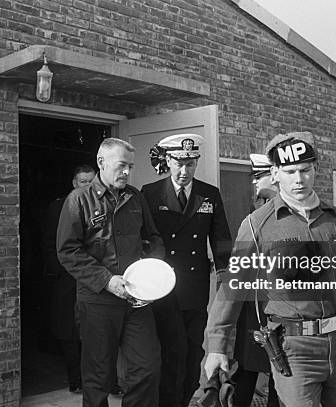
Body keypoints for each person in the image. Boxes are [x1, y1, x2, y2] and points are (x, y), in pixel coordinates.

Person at [204, 132, 336, 407]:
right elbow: (233, 288)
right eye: (290, 171)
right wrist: (217, 346)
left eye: (305, 170)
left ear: (315, 169)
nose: (299, 179)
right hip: (294, 352)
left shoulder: (334, 218)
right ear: (274, 173)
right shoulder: (257, 224)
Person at [57, 138, 165, 407]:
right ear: (101, 163)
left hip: (137, 301)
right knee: (97, 377)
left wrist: (150, 272)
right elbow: (67, 251)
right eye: (121, 166)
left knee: (147, 368)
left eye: (130, 166)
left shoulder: (136, 197)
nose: (127, 172)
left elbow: (154, 238)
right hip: (98, 302)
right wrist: (106, 280)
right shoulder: (78, 200)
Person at [141, 134, 232, 407]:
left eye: (190, 164)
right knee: (173, 350)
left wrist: (227, 279)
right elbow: (143, 239)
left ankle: (184, 400)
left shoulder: (209, 194)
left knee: (194, 350)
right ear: (168, 161)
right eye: (179, 163)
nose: (184, 171)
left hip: (195, 284)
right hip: (163, 286)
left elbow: (221, 238)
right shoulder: (150, 192)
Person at [229, 154, 280, 407]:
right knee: (248, 367)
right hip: (255, 306)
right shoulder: (254, 217)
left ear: (273, 175)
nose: (254, 183)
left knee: (279, 370)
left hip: (280, 306)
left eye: (258, 176)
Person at [42, 164, 96, 392]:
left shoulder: (101, 204)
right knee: (69, 330)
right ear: (74, 183)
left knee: (95, 330)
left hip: (94, 278)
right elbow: (49, 243)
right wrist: (59, 273)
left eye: (91, 181)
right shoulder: (59, 206)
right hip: (67, 278)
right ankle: (76, 381)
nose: (88, 186)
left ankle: (101, 380)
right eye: (83, 181)